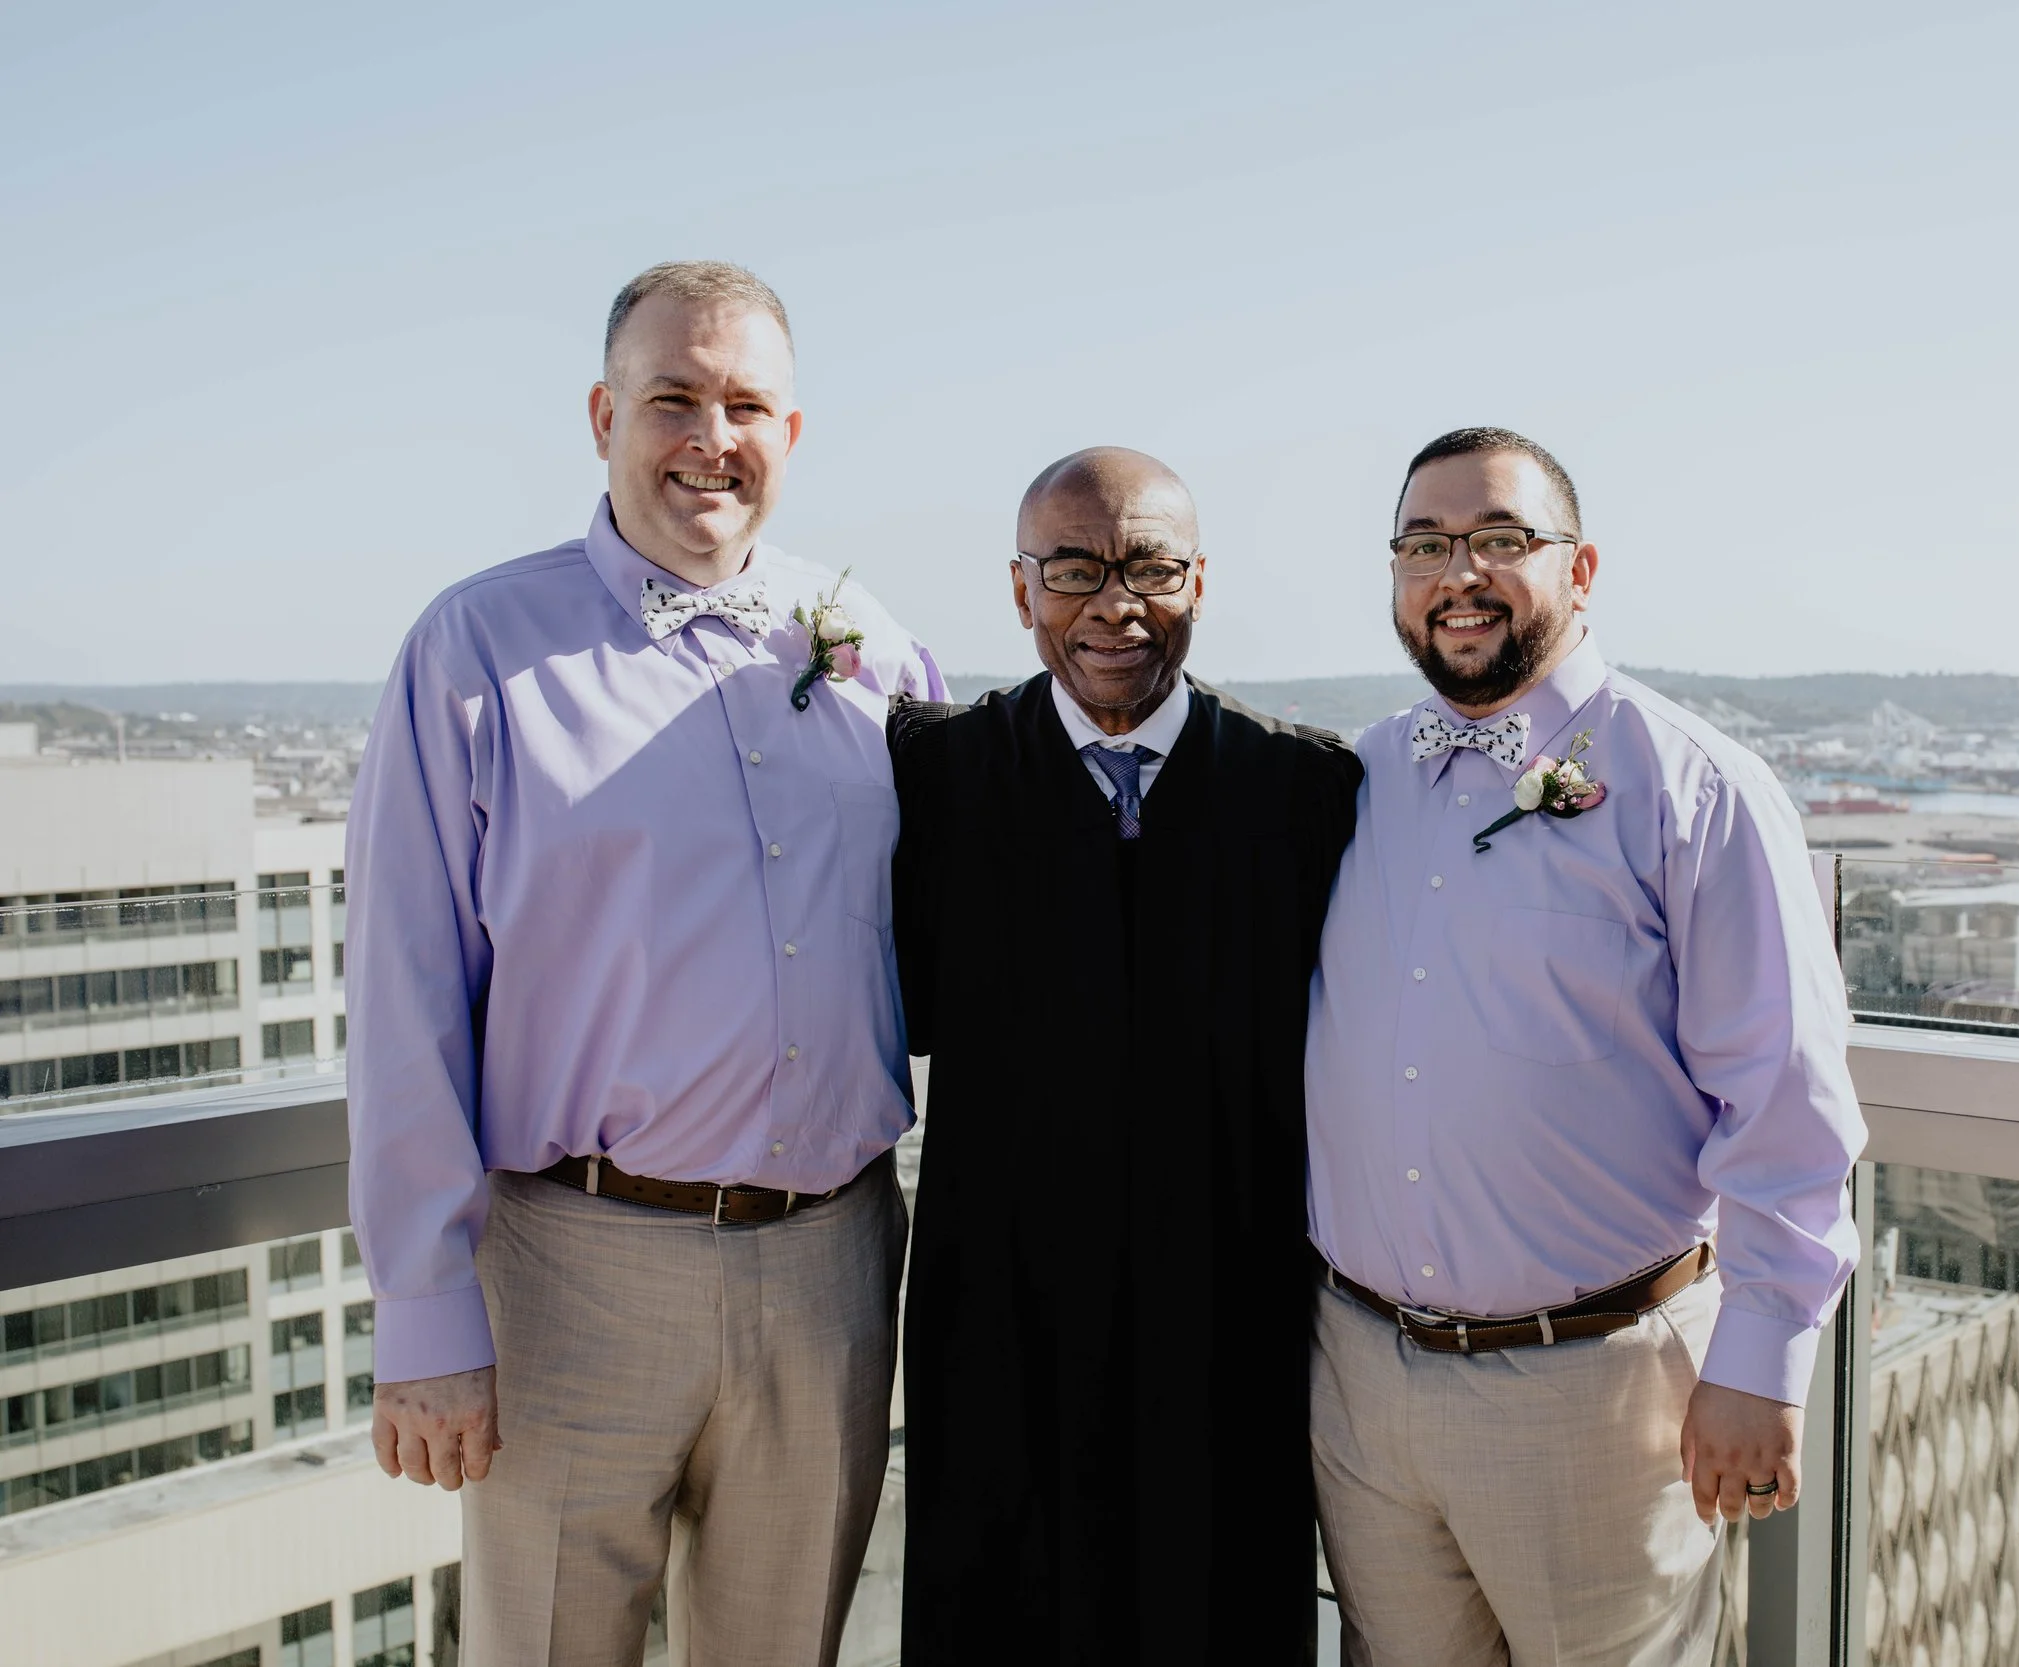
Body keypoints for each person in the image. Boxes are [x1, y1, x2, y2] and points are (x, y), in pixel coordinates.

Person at [346, 260, 943, 1666]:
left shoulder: (880, 656)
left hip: (836, 1265)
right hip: (571, 1270)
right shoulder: (473, 650)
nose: (709, 436)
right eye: (672, 397)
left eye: (746, 404)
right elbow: (402, 999)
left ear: (792, 434)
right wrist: (425, 1314)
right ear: (605, 412)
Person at [1304, 427, 1864, 1665]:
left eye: (1501, 539)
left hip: (1597, 1393)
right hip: (1359, 1376)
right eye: (1425, 544)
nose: (1460, 572)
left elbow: (1784, 1099)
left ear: (1582, 566)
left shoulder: (1693, 786)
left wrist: (1762, 1359)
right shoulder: (1360, 779)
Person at [887, 447, 1362, 1664]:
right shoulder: (934, 781)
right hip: (1001, 1330)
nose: (1115, 603)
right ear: (1020, 590)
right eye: (1074, 569)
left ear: (1198, 578)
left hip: (1227, 1333)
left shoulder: (1300, 790)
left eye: (1149, 565)